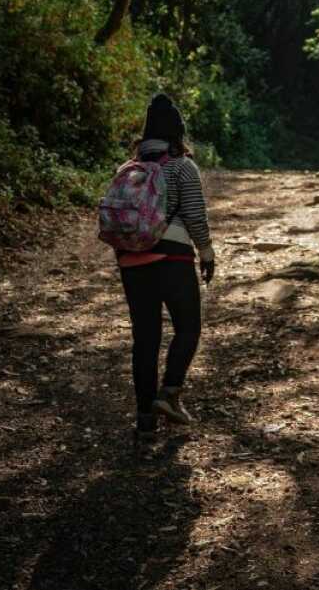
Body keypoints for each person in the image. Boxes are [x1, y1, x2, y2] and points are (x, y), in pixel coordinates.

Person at [117, 93, 215, 438]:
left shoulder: (129, 169)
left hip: (131, 259)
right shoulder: (182, 166)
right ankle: (170, 393)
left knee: (145, 339)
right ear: (178, 131)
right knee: (188, 328)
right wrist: (206, 252)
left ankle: (145, 419)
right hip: (173, 257)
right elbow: (194, 216)